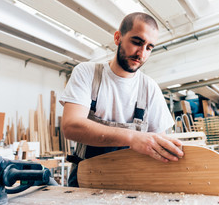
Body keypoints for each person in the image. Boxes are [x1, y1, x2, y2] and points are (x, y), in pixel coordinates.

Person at [59, 12, 184, 187]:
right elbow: (71, 126)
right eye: (137, 42)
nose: (141, 53)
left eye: (149, 47)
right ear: (118, 37)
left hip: (132, 181)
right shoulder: (87, 73)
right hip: (86, 180)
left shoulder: (150, 88)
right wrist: (132, 137)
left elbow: (158, 145)